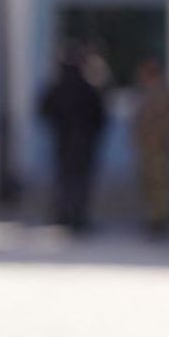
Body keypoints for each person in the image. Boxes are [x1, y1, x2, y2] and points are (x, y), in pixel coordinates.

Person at [39, 45, 107, 234]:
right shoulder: (88, 88)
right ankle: (78, 217)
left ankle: (64, 215)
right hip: (83, 143)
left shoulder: (58, 87)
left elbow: (44, 110)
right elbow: (100, 116)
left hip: (64, 142)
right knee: (80, 182)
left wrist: (59, 128)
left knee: (65, 180)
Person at [132, 58, 169, 237]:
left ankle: (159, 220)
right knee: (148, 183)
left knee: (160, 184)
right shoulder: (144, 93)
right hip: (146, 146)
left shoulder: (165, 93)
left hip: (160, 147)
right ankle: (152, 217)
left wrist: (164, 137)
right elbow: (139, 121)